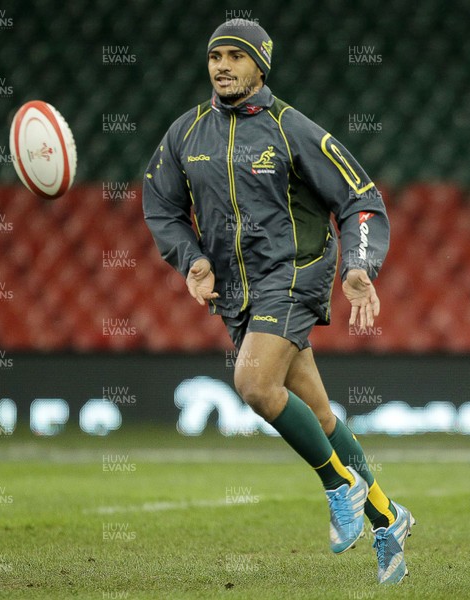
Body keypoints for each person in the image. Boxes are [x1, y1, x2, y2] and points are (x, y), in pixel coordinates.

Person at [143, 19, 414, 584]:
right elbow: (160, 205)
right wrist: (190, 259)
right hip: (239, 292)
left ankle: (340, 484)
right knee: (316, 412)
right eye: (215, 55)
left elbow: (360, 197)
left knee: (254, 385)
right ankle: (389, 519)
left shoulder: (293, 130)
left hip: (295, 272)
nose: (221, 65)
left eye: (235, 57)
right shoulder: (184, 135)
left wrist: (360, 266)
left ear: (260, 66)